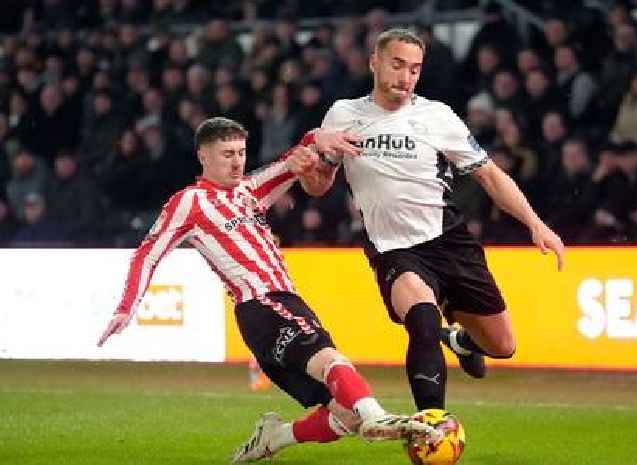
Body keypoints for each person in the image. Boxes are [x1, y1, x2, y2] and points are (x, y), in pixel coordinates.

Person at [96, 117, 439, 463]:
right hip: (263, 302)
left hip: (271, 314)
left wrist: (319, 139)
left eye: (242, 153)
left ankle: (277, 436)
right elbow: (148, 253)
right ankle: (377, 416)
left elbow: (293, 159)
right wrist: (127, 307)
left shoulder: (248, 190)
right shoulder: (190, 202)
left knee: (345, 416)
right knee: (330, 360)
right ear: (203, 156)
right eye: (227, 153)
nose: (237, 161)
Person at [301, 29, 565, 412]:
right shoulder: (343, 115)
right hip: (393, 247)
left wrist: (536, 224)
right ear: (374, 62)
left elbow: (489, 175)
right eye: (397, 65)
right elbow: (317, 187)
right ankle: (431, 426)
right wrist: (319, 160)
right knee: (422, 320)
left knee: (502, 346)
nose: (406, 77)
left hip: (447, 239)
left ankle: (461, 341)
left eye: (414, 69)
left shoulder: (437, 117)